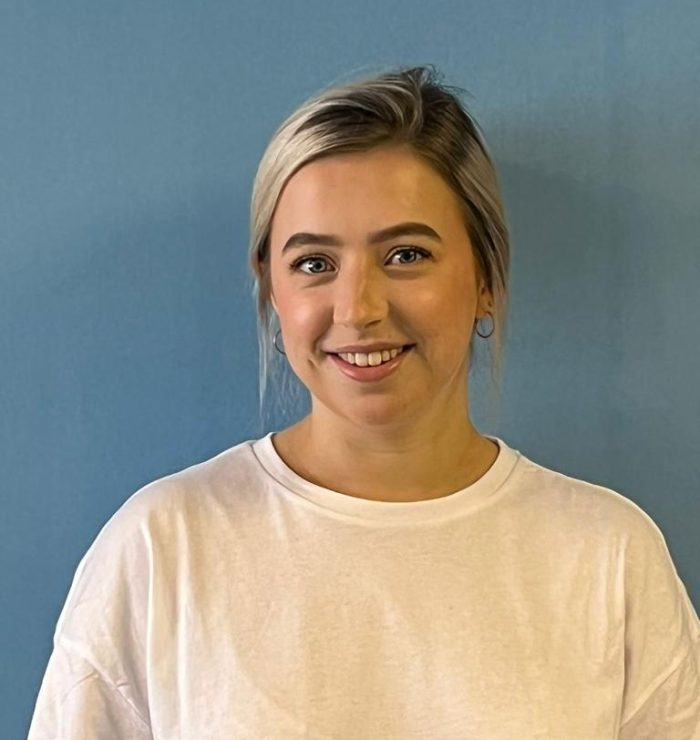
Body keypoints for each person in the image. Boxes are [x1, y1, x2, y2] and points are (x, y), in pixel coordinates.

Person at [29, 66, 699, 739]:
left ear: (487, 279)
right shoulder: (161, 546)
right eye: (314, 264)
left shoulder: (610, 554)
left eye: (406, 255)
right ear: (272, 290)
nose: (357, 310)